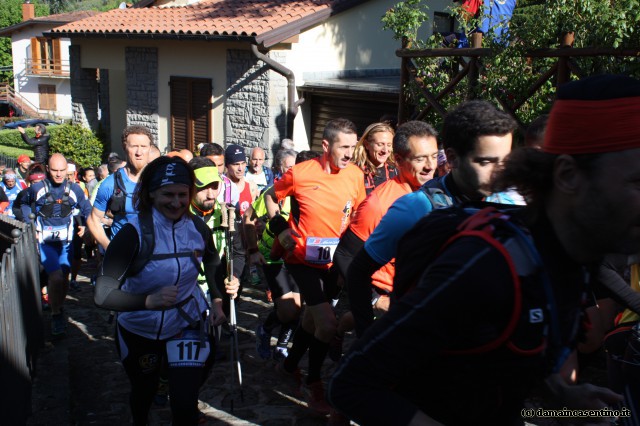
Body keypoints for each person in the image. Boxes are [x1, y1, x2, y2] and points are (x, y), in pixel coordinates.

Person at [328, 74, 640, 425]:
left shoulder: (567, 255)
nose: (497, 171)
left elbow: (501, 358)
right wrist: (369, 327)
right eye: (637, 181)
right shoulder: (484, 260)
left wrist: (562, 393)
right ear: (567, 177)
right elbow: (352, 383)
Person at [347, 100, 520, 337]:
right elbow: (358, 271)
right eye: (486, 161)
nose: (500, 171)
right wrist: (366, 338)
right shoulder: (415, 207)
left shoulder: (515, 202)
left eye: (505, 161)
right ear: (452, 158)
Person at [94, 156, 239, 426]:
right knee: (144, 392)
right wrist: (147, 301)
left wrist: (219, 297)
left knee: (184, 403)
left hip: (186, 321)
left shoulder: (196, 227)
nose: (176, 202)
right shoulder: (132, 233)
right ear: (151, 194)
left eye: (183, 195)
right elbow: (102, 293)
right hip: (140, 328)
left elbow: (213, 260)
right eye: (167, 194)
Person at [264, 118, 366, 414]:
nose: (349, 153)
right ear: (326, 146)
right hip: (301, 259)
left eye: (353, 146)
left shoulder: (355, 175)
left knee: (311, 320)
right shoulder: (301, 173)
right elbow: (271, 196)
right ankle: (314, 383)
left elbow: (356, 214)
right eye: (343, 147)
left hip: (334, 260)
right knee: (327, 323)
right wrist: (280, 226)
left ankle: (289, 365)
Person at [331, 121, 439, 357]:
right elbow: (345, 254)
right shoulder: (380, 203)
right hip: (388, 295)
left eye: (434, 156)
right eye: (420, 159)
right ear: (399, 161)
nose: (430, 167)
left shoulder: (441, 192)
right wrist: (374, 299)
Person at [21, 153, 91, 336]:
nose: (59, 174)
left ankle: (58, 308)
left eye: (62, 170)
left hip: (66, 242)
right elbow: (21, 204)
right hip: (46, 243)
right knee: (56, 277)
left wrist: (86, 225)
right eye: (54, 170)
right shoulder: (37, 188)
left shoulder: (74, 189)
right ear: (47, 168)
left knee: (63, 279)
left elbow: (87, 208)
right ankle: (56, 314)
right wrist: (30, 223)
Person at [87, 125, 152, 249]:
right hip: (124, 255)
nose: (139, 152)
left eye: (143, 146)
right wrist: (110, 248)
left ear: (149, 148)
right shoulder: (110, 184)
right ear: (124, 148)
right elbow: (93, 219)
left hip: (153, 256)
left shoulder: (158, 180)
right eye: (134, 146)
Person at [352, 122, 397, 195]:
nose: (385, 150)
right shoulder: (355, 171)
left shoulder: (396, 172)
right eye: (380, 144)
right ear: (367, 144)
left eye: (389, 145)